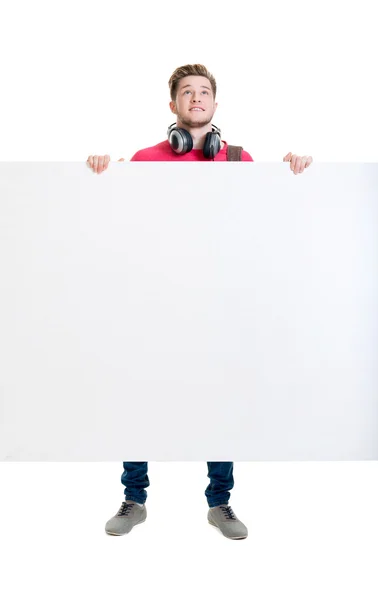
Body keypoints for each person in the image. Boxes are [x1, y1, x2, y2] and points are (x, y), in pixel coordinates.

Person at [87, 64, 313, 540]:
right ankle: (134, 497)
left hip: (219, 305)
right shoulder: (145, 159)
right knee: (141, 395)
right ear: (172, 105)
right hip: (156, 301)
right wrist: (100, 174)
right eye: (186, 92)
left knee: (220, 398)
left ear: (215, 103)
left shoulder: (237, 159)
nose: (195, 98)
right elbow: (117, 223)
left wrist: (294, 173)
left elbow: (269, 221)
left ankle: (220, 502)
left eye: (203, 91)